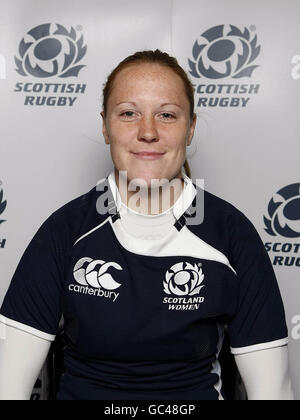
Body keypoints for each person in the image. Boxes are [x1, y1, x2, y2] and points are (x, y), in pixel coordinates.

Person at [0, 49, 294, 400]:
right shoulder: (64, 231)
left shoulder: (232, 235)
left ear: (190, 128)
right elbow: (8, 385)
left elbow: (272, 392)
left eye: (167, 115)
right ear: (106, 126)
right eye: (128, 114)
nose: (148, 132)